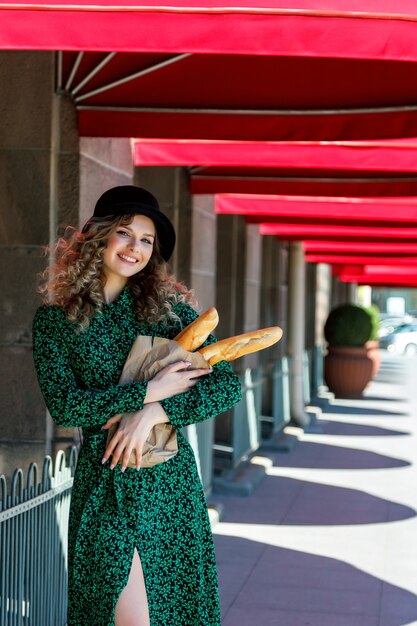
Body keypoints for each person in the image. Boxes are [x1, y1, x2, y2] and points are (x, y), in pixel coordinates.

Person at [32, 185, 242, 626]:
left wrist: (154, 413)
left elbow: (226, 385)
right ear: (100, 236)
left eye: (146, 240)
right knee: (116, 611)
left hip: (167, 483)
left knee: (170, 611)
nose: (136, 248)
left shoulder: (168, 313)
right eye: (126, 234)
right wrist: (146, 393)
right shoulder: (56, 318)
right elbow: (66, 407)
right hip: (102, 482)